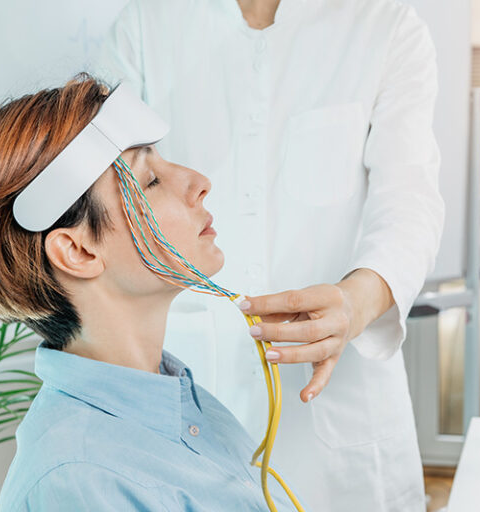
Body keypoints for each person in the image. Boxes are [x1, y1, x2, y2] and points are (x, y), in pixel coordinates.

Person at [100, 0, 444, 510]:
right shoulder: (145, 27)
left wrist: (354, 303)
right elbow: (106, 198)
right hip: (191, 391)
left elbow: (409, 200)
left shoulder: (384, 23)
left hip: (338, 410)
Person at [0, 76, 298, 511]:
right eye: (149, 181)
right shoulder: (80, 482)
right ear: (78, 250)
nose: (198, 182)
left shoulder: (186, 409)